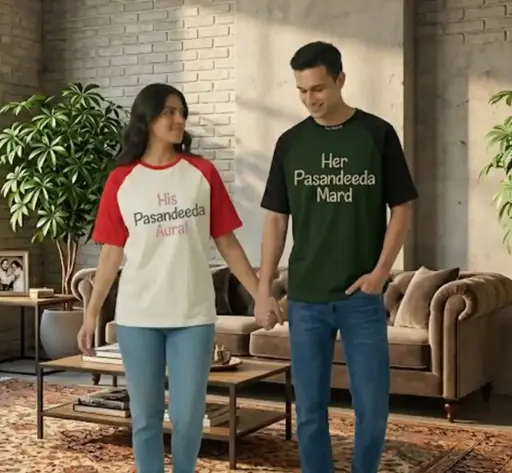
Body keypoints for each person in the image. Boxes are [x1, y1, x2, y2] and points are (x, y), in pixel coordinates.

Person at [77, 83, 281, 473]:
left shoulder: (201, 173)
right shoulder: (122, 180)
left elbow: (229, 245)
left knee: (188, 419)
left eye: (181, 112)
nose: (178, 119)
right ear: (147, 118)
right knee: (146, 418)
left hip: (193, 315)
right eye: (169, 111)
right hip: (138, 316)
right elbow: (110, 254)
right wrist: (92, 313)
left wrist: (261, 295)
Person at [254, 41, 418, 473]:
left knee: (372, 409)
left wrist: (381, 272)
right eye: (302, 91)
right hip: (305, 297)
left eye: (319, 89)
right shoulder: (290, 143)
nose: (311, 100)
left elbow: (402, 207)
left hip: (361, 297)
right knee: (309, 409)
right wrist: (263, 290)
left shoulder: (377, 134)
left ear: (341, 80)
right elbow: (275, 221)